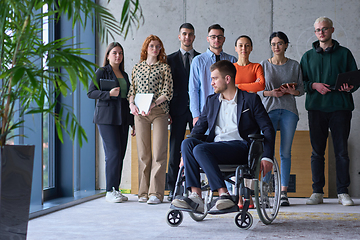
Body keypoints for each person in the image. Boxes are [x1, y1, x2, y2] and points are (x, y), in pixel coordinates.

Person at [171, 60, 275, 212]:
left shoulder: (251, 100)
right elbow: (198, 130)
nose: (211, 83)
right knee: (187, 144)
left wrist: (267, 156)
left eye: (214, 78)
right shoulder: (211, 101)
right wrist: (184, 155)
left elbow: (267, 128)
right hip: (214, 148)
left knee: (200, 149)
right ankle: (196, 196)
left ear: (227, 79)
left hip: (240, 148)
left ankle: (224, 195)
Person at [300, 16, 358, 206]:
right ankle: (317, 192)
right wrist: (314, 85)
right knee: (317, 152)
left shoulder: (345, 53)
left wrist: (349, 87)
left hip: (340, 108)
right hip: (316, 108)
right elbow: (302, 83)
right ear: (315, 32)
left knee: (341, 152)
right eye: (318, 30)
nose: (321, 33)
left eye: (325, 29)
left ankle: (343, 192)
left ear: (332, 30)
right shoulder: (308, 56)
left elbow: (355, 80)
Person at [260, 31, 304, 206]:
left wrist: (292, 91)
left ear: (286, 45)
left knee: (285, 152)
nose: (276, 47)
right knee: (267, 152)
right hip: (269, 110)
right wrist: (272, 92)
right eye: (273, 44)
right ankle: (264, 191)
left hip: (288, 111)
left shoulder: (294, 65)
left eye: (279, 43)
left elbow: (301, 89)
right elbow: (258, 89)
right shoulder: (264, 65)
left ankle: (283, 192)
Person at [128, 35, 173, 204]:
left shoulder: (164, 68)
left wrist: (153, 104)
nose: (155, 49)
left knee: (159, 153)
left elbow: (167, 92)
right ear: (146, 48)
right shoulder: (137, 68)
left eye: (158, 46)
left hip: (159, 112)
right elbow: (132, 90)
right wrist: (132, 105)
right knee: (143, 154)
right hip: (139, 114)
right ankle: (142, 193)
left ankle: (156, 193)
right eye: (152, 46)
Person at [87, 42, 135, 203]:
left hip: (122, 118)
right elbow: (91, 92)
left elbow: (128, 99)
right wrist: (108, 93)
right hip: (107, 118)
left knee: (119, 155)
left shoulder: (125, 75)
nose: (118, 56)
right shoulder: (101, 71)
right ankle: (109, 190)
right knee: (113, 153)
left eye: (120, 53)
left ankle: (116, 188)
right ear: (107, 55)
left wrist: (132, 122)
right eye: (114, 53)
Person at [166, 23, 200, 201]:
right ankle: (173, 188)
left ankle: (196, 189)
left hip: (197, 111)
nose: (187, 37)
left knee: (199, 148)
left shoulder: (201, 59)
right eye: (184, 34)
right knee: (174, 149)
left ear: (194, 37)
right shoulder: (169, 59)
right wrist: (168, 112)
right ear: (179, 36)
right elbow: (166, 87)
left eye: (190, 34)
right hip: (177, 111)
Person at [189, 24, 237, 126]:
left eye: (219, 37)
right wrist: (196, 115)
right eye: (213, 37)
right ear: (208, 39)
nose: (216, 39)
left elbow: (235, 86)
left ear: (224, 39)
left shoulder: (232, 60)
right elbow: (193, 89)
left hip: (228, 111)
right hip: (205, 112)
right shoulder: (198, 61)